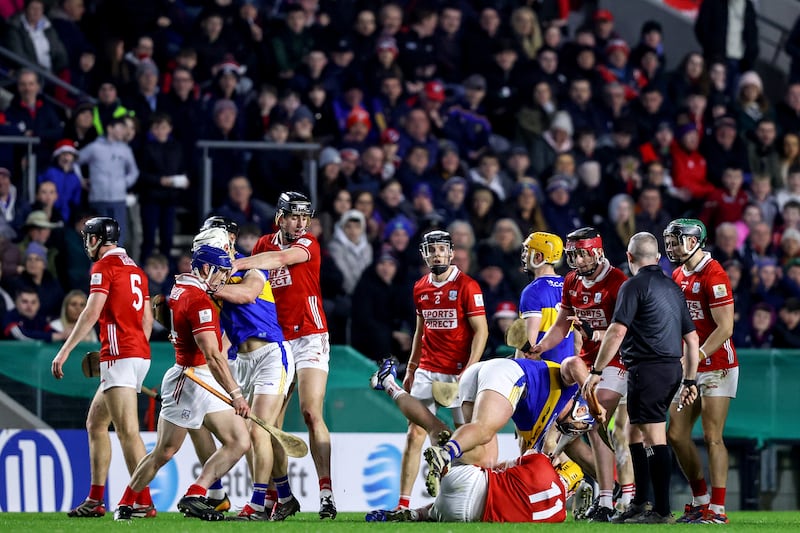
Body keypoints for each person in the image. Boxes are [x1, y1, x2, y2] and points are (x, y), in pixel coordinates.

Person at [113, 244, 251, 521]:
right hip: (188, 380)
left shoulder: (180, 288)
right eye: (220, 273)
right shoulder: (198, 300)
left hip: (199, 376)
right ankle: (126, 503)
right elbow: (213, 355)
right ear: (204, 269)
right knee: (165, 451)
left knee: (239, 440)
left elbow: (165, 306)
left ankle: (195, 493)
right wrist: (236, 394)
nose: (223, 280)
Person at [365, 357, 588, 523]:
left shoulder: (542, 466)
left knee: (476, 444)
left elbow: (508, 466)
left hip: (467, 479)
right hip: (456, 514)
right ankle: (417, 513)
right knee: (441, 432)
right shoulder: (558, 516)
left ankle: (391, 387)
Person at [233, 191, 336, 520]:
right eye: (294, 216)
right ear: (280, 217)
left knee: (310, 412)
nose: (301, 223)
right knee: (267, 425)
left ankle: (326, 492)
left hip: (310, 335)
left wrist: (238, 262)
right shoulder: (262, 244)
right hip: (276, 340)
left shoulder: (308, 244)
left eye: (305, 217)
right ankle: (280, 495)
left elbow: (279, 261)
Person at [585, 232, 700, 524]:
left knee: (653, 437)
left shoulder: (632, 285)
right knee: (633, 433)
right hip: (669, 368)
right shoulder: (673, 287)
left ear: (629, 257)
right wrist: (689, 380)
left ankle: (661, 511)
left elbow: (616, 331)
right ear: (658, 258)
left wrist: (597, 371)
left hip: (648, 368)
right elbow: (692, 336)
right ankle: (640, 502)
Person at [50, 217, 155, 518]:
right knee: (96, 424)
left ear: (96, 240)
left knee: (127, 433)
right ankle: (96, 500)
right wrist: (134, 348)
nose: (87, 243)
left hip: (121, 356)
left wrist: (64, 351)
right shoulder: (136, 269)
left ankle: (143, 501)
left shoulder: (103, 268)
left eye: (88, 238)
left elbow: (91, 311)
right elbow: (147, 319)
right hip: (136, 354)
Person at [196, 218, 296, 521]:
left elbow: (247, 295)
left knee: (257, 430)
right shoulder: (212, 279)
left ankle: (257, 504)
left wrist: (211, 288)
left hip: (271, 354)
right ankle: (285, 497)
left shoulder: (248, 267)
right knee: (245, 430)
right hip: (242, 360)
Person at [528, 227, 629, 522]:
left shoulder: (618, 281)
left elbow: (623, 329)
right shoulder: (571, 280)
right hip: (589, 364)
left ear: (597, 251)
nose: (577, 260)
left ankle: (626, 495)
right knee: (591, 427)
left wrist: (599, 336)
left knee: (612, 429)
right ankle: (608, 497)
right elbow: (563, 323)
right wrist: (541, 346)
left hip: (619, 362)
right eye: (572, 254)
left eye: (582, 253)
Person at [393, 229, 488, 509]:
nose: (437, 254)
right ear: (424, 254)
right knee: (414, 434)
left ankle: (469, 496)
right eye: (431, 250)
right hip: (428, 368)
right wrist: (411, 367)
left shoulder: (468, 285)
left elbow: (481, 331)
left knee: (465, 439)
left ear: (451, 252)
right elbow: (420, 331)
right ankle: (403, 503)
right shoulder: (420, 286)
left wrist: (469, 370)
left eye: (441, 249)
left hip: (458, 372)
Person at [663, 219, 739, 524]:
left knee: (712, 436)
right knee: (677, 434)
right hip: (690, 365)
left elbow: (726, 327)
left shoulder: (715, 274)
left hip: (717, 364)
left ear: (694, 242)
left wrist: (698, 355)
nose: (670, 247)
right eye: (668, 241)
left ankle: (718, 510)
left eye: (676, 241)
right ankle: (700, 500)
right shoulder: (678, 273)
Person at [518, 232, 574, 363]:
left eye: (527, 251)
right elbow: (578, 342)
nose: (524, 255)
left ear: (538, 257)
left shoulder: (532, 291)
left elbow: (527, 344)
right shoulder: (570, 286)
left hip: (542, 372)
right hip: (567, 370)